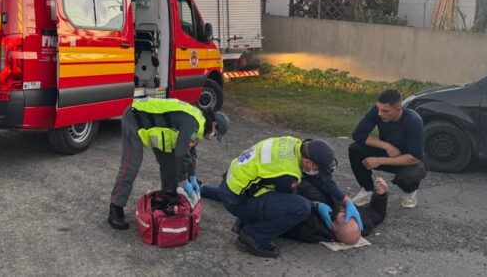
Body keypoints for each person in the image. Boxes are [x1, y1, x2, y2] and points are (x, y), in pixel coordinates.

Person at [212, 137, 363, 258]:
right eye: (316, 168)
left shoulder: (295, 144)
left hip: (232, 184)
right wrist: (315, 205)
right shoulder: (287, 175)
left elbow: (320, 180)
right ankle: (253, 236)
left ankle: (247, 219)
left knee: (296, 195)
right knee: (300, 208)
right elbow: (288, 201)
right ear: (307, 162)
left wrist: (346, 200)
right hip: (237, 199)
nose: (317, 172)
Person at [107, 98, 230, 230]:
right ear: (214, 124)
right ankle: (115, 209)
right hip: (135, 118)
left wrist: (192, 176)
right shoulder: (193, 122)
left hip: (157, 126)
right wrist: (183, 180)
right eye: (215, 133)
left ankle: (168, 196)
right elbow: (181, 153)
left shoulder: (198, 122)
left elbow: (190, 151)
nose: (213, 135)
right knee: (131, 165)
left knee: (169, 163)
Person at [348, 89, 427, 208]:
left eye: (385, 111)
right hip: (388, 153)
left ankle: (410, 192)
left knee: (408, 178)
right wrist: (387, 146)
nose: (380, 113)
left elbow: (415, 157)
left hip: (408, 160)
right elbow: (358, 134)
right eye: (379, 109)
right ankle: (367, 190)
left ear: (398, 109)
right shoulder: (378, 111)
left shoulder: (413, 121)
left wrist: (379, 160)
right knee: (354, 149)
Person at [285, 176, 390, 245]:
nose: (346, 211)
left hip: (293, 183)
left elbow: (282, 217)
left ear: (334, 226)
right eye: (353, 217)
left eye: (344, 215)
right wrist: (381, 195)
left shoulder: (311, 228)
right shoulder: (362, 224)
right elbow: (376, 214)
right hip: (318, 180)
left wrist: (312, 205)